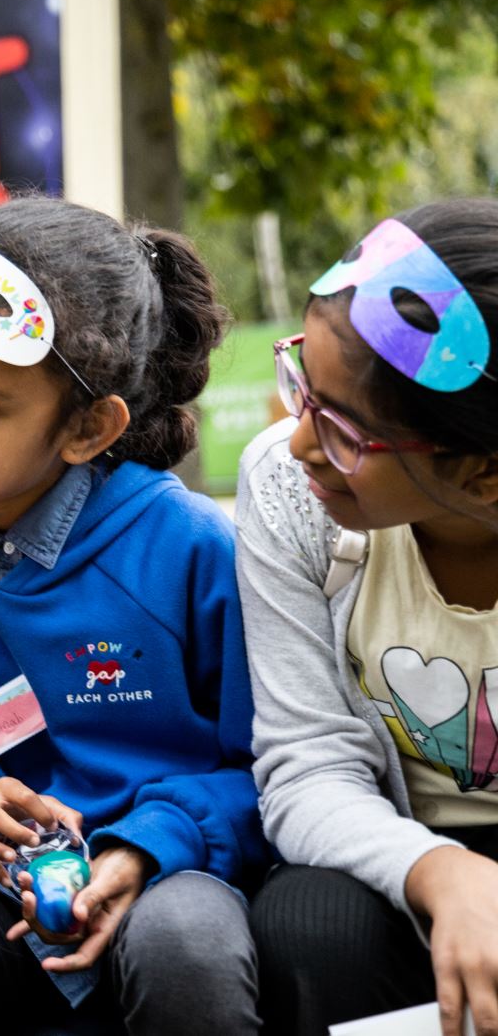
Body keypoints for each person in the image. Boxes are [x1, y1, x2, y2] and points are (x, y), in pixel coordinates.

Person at [0, 197, 269, 1034]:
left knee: (188, 939)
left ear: (86, 426)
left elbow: (273, 771)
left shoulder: (191, 552)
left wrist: (150, 843)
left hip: (165, 888)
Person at [239, 200, 498, 1036]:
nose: (300, 439)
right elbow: (308, 763)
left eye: (344, 428)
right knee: (308, 921)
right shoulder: (290, 487)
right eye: (299, 383)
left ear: (483, 474)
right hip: (401, 848)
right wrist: (443, 872)